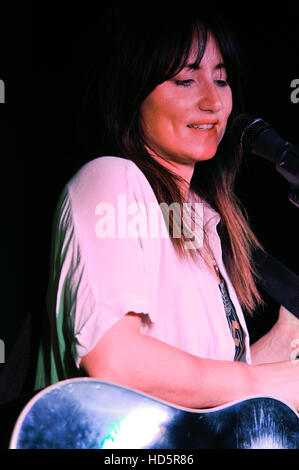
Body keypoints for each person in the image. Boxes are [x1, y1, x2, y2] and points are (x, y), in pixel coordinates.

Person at [35, 6, 299, 412]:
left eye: (221, 79)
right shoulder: (111, 179)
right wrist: (276, 380)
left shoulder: (199, 221)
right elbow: (116, 360)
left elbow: (203, 409)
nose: (213, 101)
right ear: (132, 91)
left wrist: (286, 338)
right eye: (186, 80)